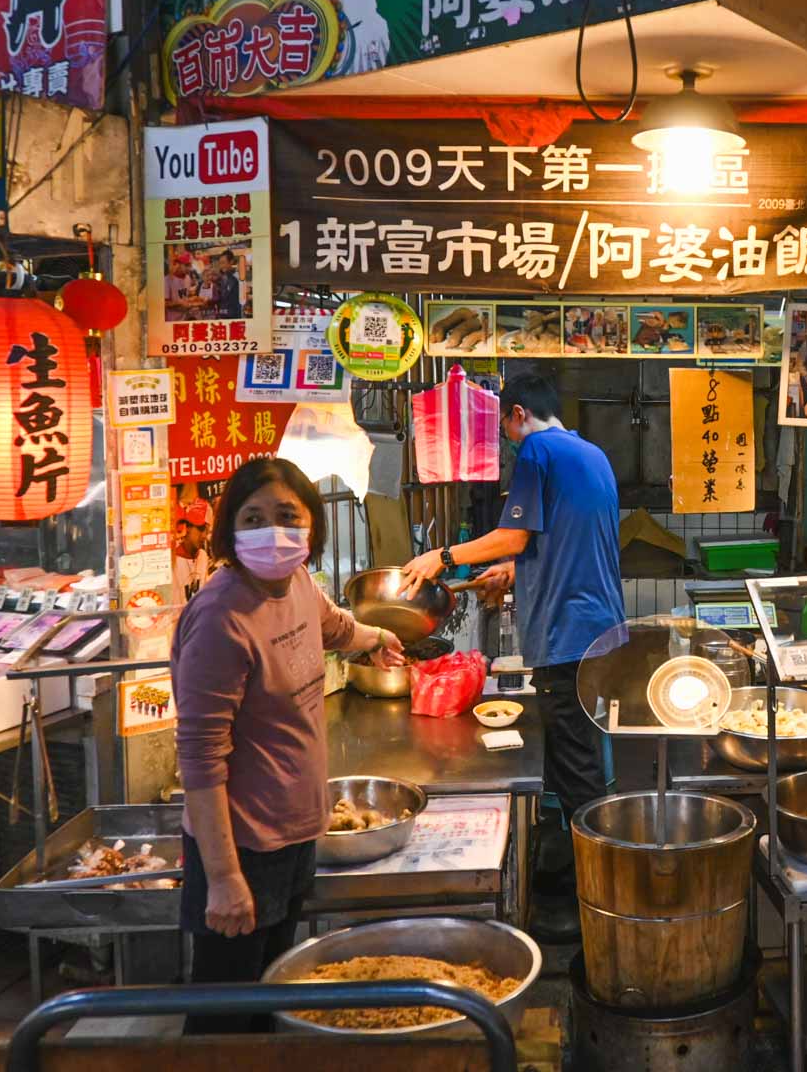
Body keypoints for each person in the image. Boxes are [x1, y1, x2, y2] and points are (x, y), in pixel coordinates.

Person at [173, 458, 403, 1031]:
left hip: (297, 835)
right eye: (254, 517)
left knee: (274, 1002)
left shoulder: (297, 581)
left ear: (311, 528)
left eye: (286, 516)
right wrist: (224, 878)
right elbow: (200, 759)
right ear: (230, 529)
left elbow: (333, 626)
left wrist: (376, 637)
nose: (272, 532)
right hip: (242, 848)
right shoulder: (221, 619)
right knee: (223, 1023)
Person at [398, 373, 625, 939]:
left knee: (576, 775)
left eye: (503, 426)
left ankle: (593, 906)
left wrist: (442, 557)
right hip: (601, 633)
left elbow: (514, 535)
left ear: (518, 414)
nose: (504, 438)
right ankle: (583, 881)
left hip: (568, 637)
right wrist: (513, 571)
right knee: (585, 762)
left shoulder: (537, 451)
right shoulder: (591, 454)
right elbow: (562, 541)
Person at [173, 499, 212, 605]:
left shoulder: (202, 556)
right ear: (187, 527)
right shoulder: (173, 560)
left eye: (206, 530)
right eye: (200, 528)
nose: (204, 535)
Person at [216, 250, 243, 318]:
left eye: (223, 263)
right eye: (220, 263)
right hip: (224, 315)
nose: (221, 266)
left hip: (234, 316)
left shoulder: (238, 277)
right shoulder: (222, 278)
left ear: (231, 262)